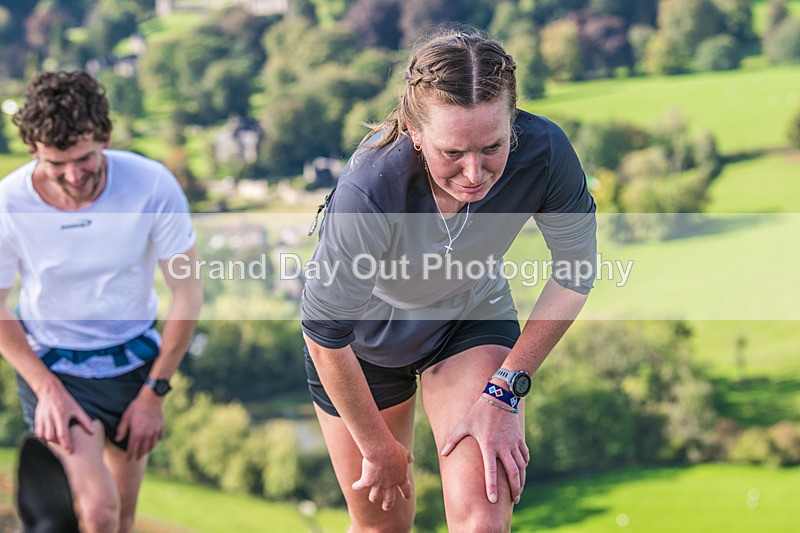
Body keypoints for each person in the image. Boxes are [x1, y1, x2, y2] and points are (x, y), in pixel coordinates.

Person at [302, 29, 597, 532]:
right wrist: (379, 449)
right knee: (383, 525)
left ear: (513, 123)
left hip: (467, 318)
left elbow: (576, 272)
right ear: (416, 133)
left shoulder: (545, 151)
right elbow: (326, 337)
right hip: (362, 346)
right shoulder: (370, 190)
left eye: (493, 146)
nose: (475, 173)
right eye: (453, 153)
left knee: (483, 519)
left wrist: (506, 389)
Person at [0, 71, 202, 533]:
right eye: (56, 164)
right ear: (34, 152)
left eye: (85, 159)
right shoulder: (9, 203)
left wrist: (155, 392)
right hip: (55, 369)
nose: (74, 176)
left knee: (122, 518)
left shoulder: (152, 185)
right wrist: (46, 388)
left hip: (135, 366)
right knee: (97, 511)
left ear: (105, 137)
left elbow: (188, 293)